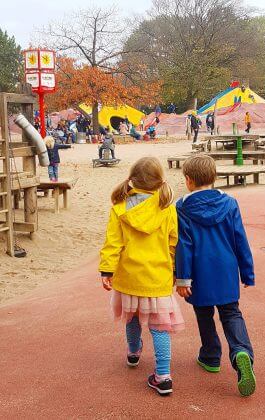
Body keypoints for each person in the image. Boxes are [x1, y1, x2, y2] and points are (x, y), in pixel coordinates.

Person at [99, 157, 184, 396]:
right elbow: (173, 242)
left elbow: (112, 244)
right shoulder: (167, 209)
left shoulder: (119, 208)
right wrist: (175, 270)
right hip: (157, 277)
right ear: (159, 182)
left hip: (129, 277)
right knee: (160, 327)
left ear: (132, 180)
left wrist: (107, 270)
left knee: (132, 318)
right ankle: (163, 376)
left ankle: (134, 352)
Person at [175, 155, 256, 397]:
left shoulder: (182, 207)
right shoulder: (230, 204)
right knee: (231, 312)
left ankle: (210, 356)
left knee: (204, 313)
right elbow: (240, 239)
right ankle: (241, 351)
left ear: (188, 181)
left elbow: (184, 245)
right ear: (215, 178)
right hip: (226, 269)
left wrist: (182, 278)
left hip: (199, 272)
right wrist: (247, 272)